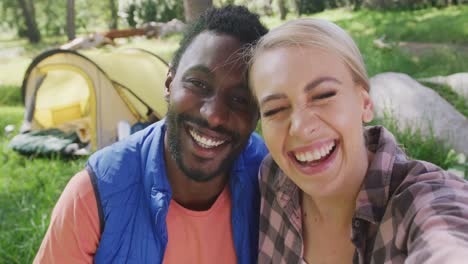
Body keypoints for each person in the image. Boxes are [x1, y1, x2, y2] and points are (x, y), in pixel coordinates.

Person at [34, 5, 268, 264]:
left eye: (239, 99)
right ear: (169, 83)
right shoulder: (95, 194)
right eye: (198, 84)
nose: (213, 114)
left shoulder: (273, 182)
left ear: (258, 113)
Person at [248, 18, 468, 263]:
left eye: (323, 95)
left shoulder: (427, 201)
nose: (300, 128)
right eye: (275, 110)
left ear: (365, 103)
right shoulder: (272, 178)